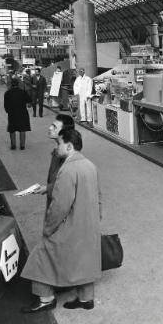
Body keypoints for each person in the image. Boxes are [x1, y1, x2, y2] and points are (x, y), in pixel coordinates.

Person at [21, 129, 101, 313]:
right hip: (89, 224)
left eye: (59, 144)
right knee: (85, 259)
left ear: (69, 146)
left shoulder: (67, 169)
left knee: (40, 256)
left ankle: (46, 299)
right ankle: (86, 298)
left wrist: (49, 228)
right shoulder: (90, 165)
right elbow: (99, 197)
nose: (56, 148)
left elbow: (60, 205)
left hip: (71, 226)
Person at [33, 114, 75, 209]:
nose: (50, 128)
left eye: (55, 127)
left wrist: (47, 188)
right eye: (52, 125)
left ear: (64, 132)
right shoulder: (57, 150)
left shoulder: (67, 155)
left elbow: (67, 186)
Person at [4, 78, 31, 150]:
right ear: (18, 84)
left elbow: (6, 105)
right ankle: (22, 145)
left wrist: (8, 111)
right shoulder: (23, 92)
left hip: (12, 114)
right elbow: (29, 100)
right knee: (22, 129)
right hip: (22, 113)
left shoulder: (7, 93)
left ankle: (13, 145)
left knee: (12, 129)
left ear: (11, 84)